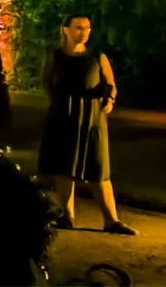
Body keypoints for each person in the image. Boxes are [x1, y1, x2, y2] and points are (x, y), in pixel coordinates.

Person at [39, 15, 135, 234]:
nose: (83, 32)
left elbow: (110, 83)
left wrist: (109, 99)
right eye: (78, 27)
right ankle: (67, 216)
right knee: (64, 167)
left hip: (91, 118)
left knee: (98, 168)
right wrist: (54, 102)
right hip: (63, 116)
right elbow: (46, 80)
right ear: (65, 30)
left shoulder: (97, 57)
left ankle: (112, 220)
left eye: (87, 28)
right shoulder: (55, 56)